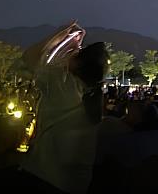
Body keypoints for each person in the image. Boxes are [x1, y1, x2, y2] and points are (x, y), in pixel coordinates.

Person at [17, 22, 109, 194]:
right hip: (75, 184)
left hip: (45, 178)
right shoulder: (91, 93)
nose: (76, 50)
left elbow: (29, 56)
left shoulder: (62, 86)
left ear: (79, 65)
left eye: (79, 52)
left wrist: (60, 34)